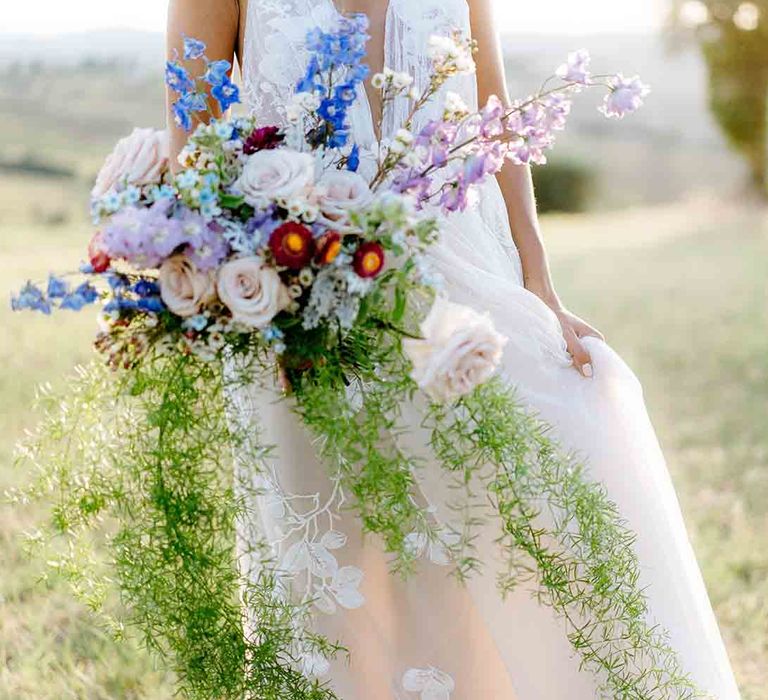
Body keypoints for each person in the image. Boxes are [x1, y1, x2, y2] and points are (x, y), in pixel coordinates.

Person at [166, 1, 742, 697]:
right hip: (297, 302)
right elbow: (193, 138)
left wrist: (538, 281)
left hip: (463, 285)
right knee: (334, 572)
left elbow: (494, 107)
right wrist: (249, 299)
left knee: (479, 546)